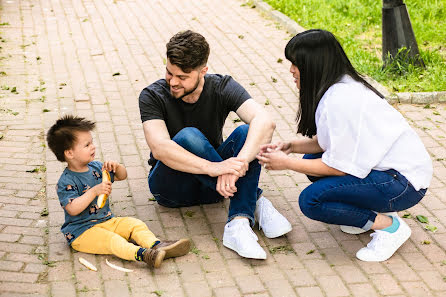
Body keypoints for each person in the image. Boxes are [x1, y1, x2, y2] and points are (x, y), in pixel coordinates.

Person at [257, 29, 432, 262]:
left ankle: (390, 227)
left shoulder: (340, 101)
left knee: (311, 201)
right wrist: (291, 146)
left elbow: (339, 168)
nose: (291, 70)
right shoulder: (337, 88)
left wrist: (287, 163)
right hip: (391, 172)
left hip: (402, 184)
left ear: (314, 65)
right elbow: (331, 143)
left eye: (296, 64)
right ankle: (365, 215)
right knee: (311, 164)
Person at [139, 30, 292, 259]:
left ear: (203, 72)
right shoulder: (152, 95)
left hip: (217, 188)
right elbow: (160, 148)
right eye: (170, 73)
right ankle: (254, 199)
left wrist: (237, 164)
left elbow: (266, 123)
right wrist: (215, 168)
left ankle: (238, 223)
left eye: (182, 77)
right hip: (171, 188)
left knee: (247, 132)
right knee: (188, 136)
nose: (173, 81)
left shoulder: (221, 86)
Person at [47, 115, 191, 268]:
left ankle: (156, 245)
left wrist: (117, 166)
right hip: (82, 232)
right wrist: (94, 191)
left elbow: (122, 176)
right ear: (69, 153)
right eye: (87, 145)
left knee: (134, 224)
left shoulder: (96, 167)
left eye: (92, 142)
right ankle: (144, 255)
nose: (93, 146)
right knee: (113, 241)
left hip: (108, 221)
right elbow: (72, 208)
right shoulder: (66, 181)